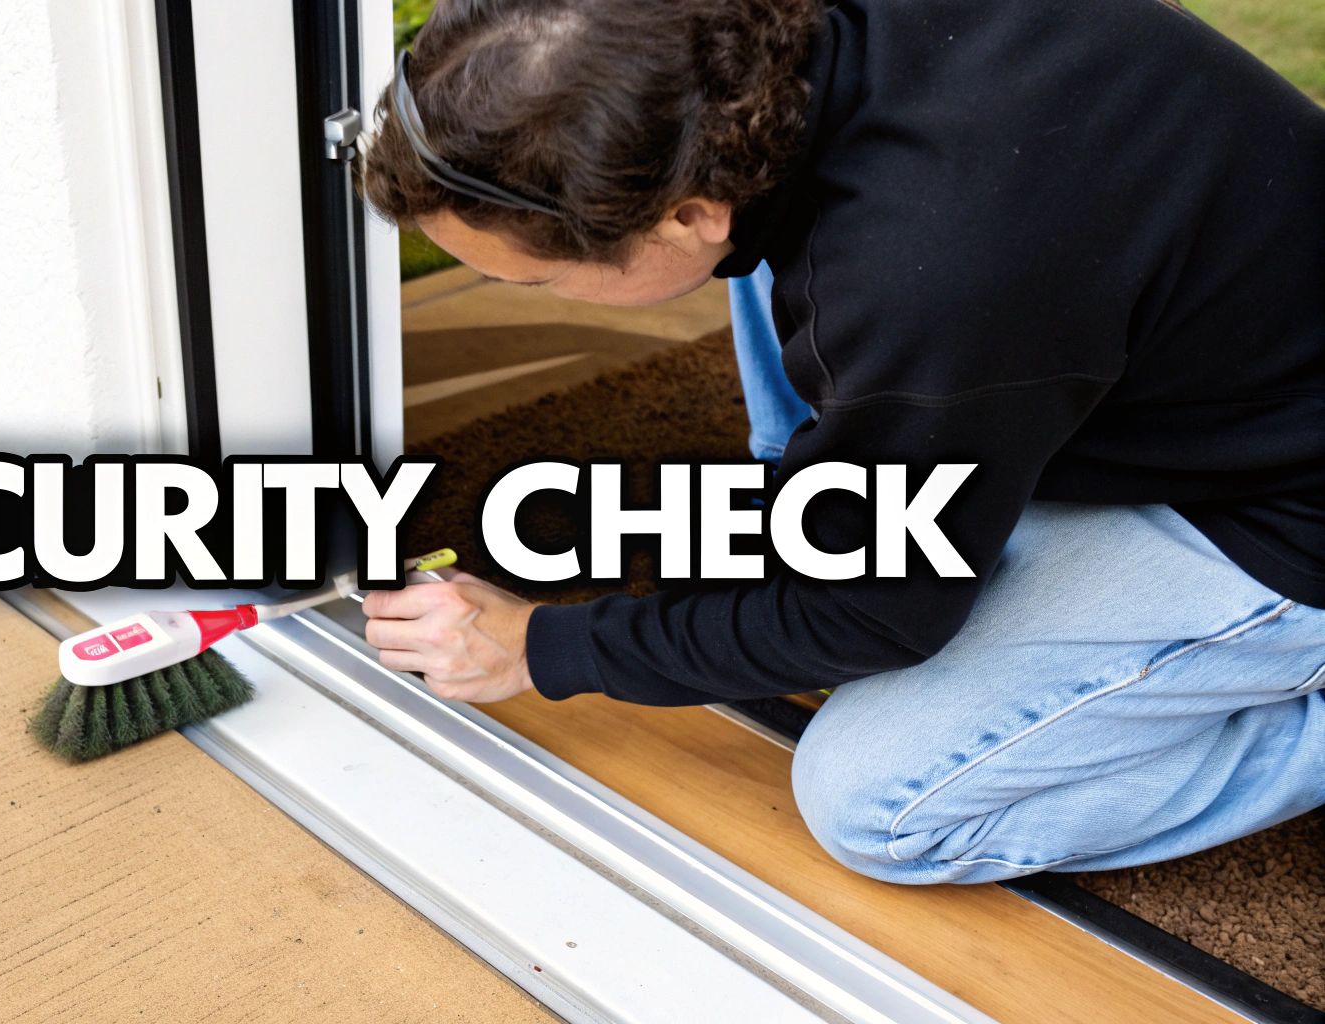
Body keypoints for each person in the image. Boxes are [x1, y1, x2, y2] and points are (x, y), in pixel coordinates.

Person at [356, 0, 1325, 884]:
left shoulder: (927, 284)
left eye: (534, 282)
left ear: (688, 213)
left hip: (1280, 504)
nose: (528, 295)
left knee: (873, 801)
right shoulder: (754, 55)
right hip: (1170, 331)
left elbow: (880, 611)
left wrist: (542, 645)